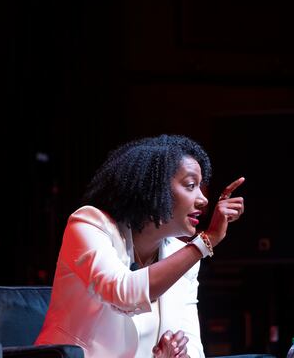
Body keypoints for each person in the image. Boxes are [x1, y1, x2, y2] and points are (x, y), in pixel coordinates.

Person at [35, 134, 245, 358]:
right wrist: (206, 241)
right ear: (154, 189)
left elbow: (191, 345)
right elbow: (123, 293)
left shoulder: (181, 257)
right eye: (191, 185)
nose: (203, 200)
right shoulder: (89, 225)